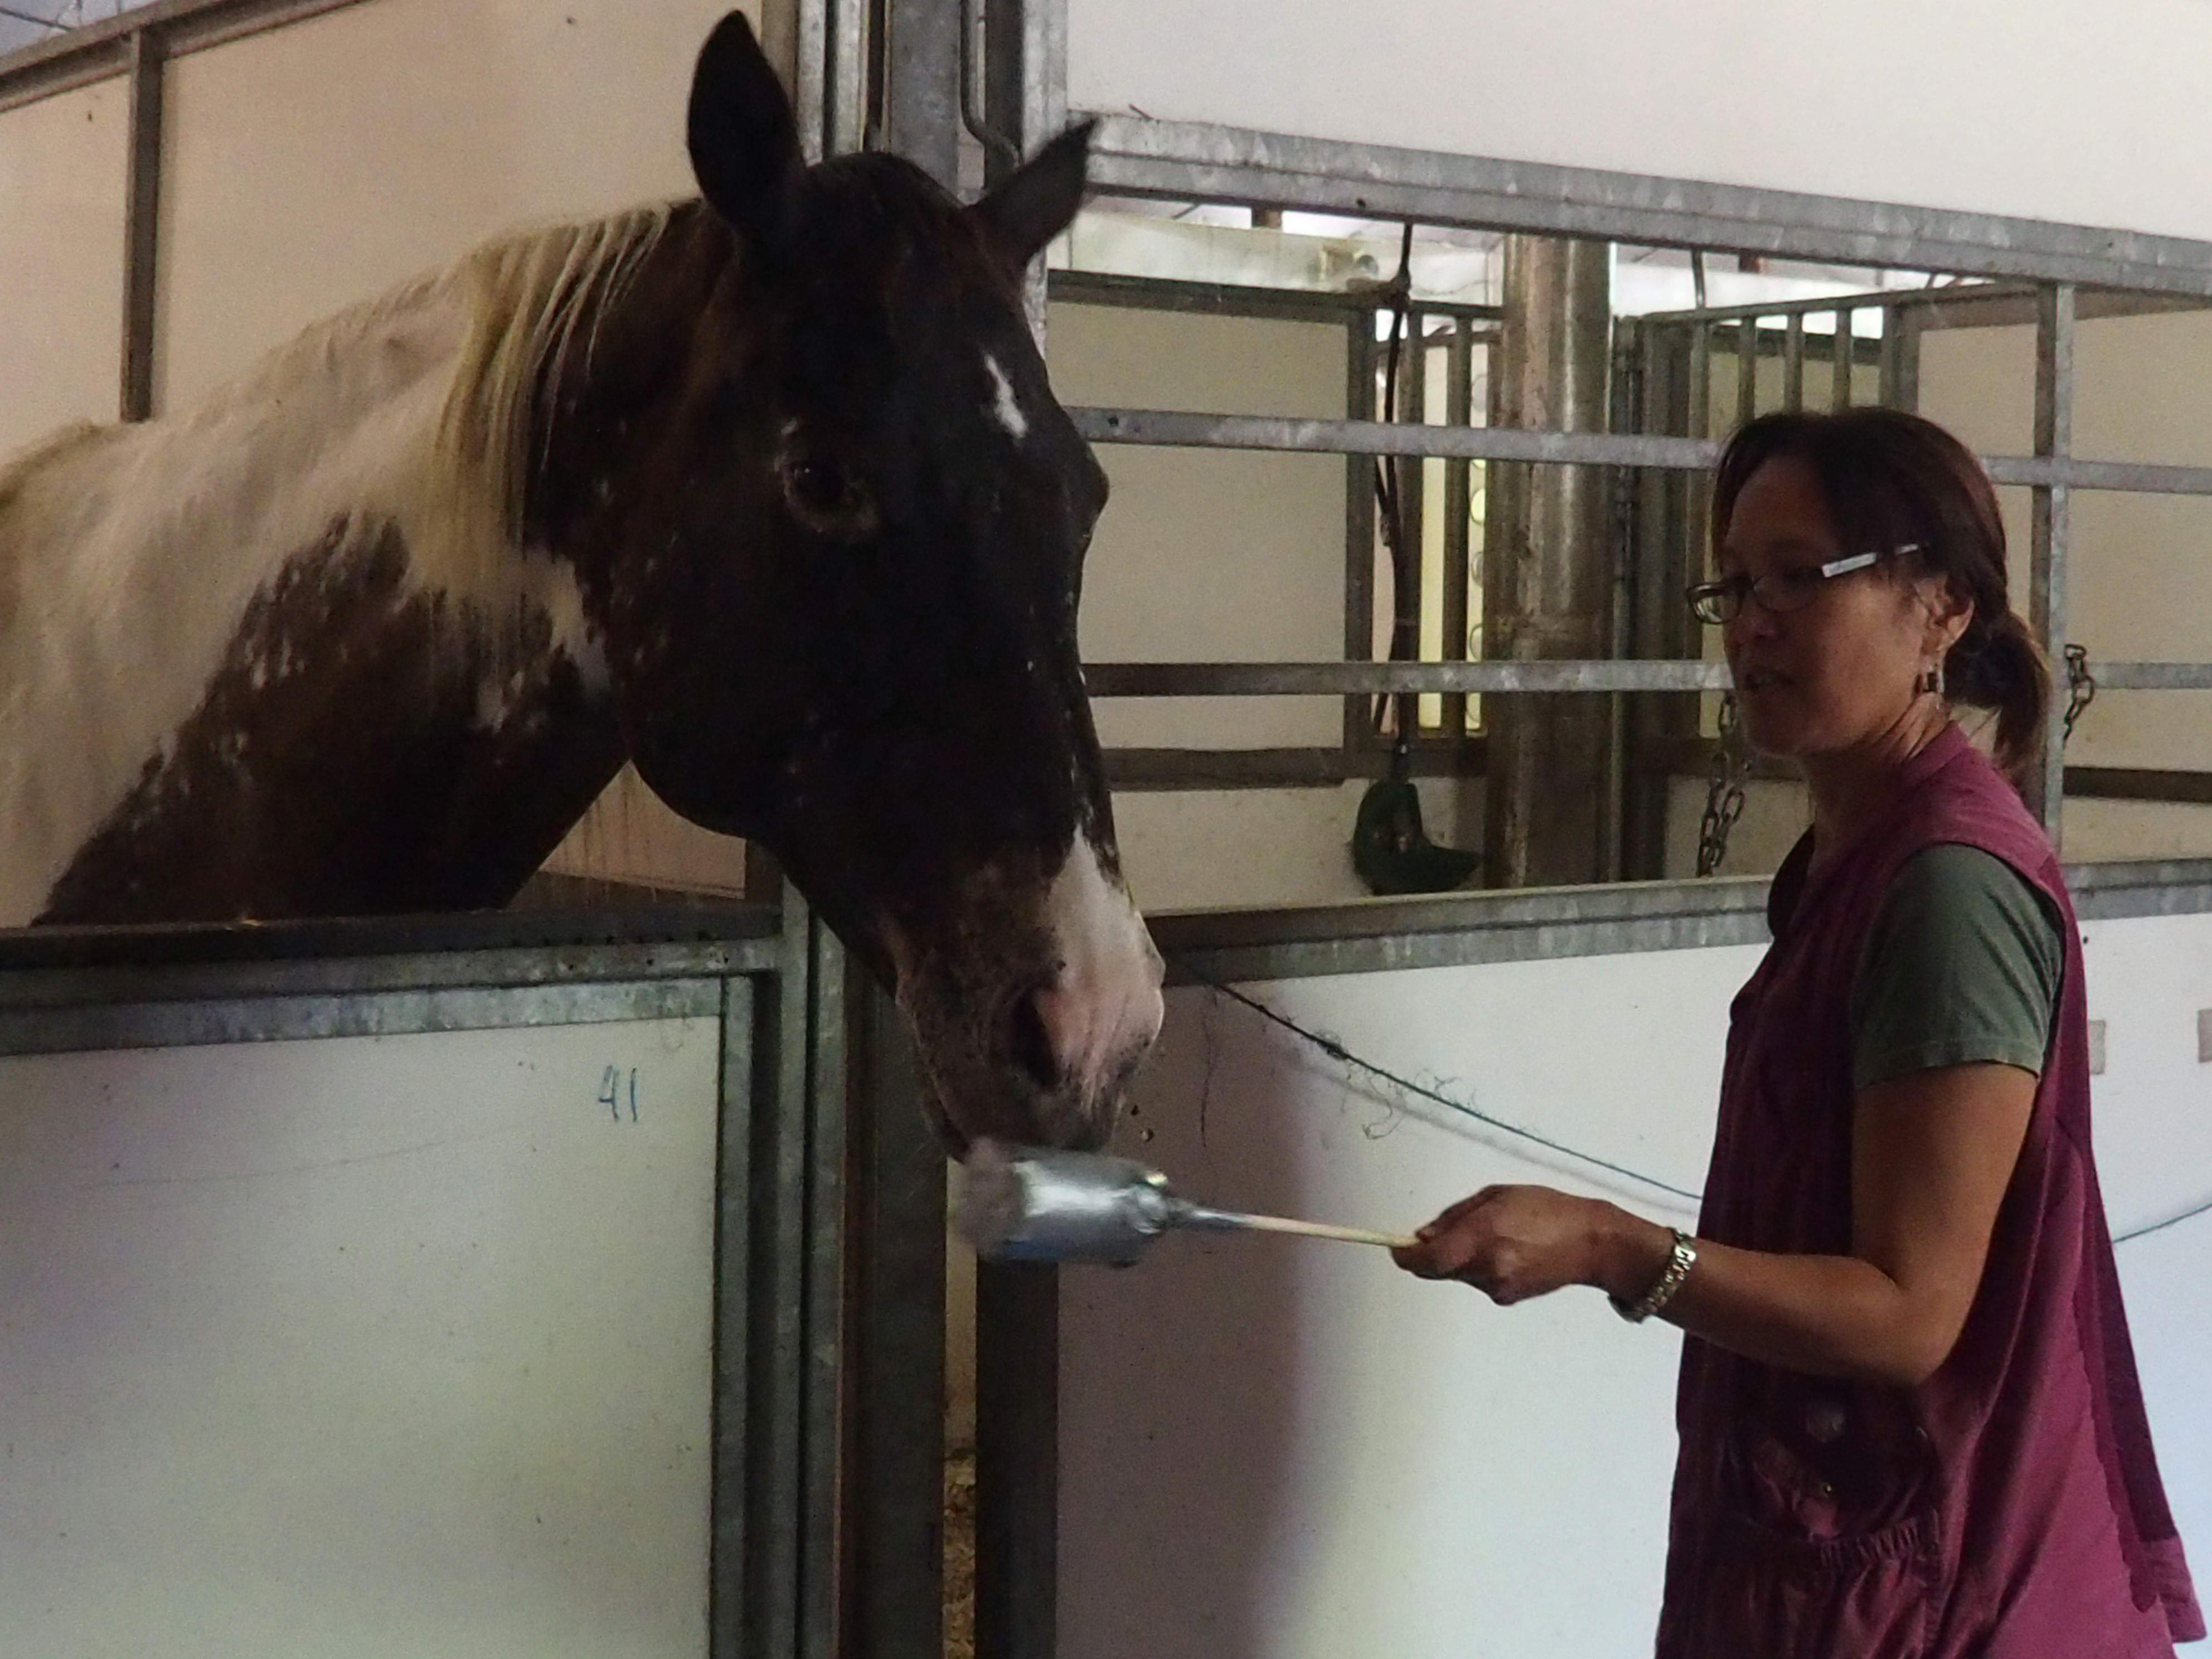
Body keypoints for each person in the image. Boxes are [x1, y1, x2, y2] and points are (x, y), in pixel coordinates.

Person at [1394, 408, 2202, 1657]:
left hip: (1936, 1601)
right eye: (1733, 585)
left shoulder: (1948, 890)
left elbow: (1906, 1313)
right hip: (1840, 1557)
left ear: (1939, 607)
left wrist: (1614, 1247)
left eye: (1798, 576)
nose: (1751, 622)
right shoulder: (1854, 860)